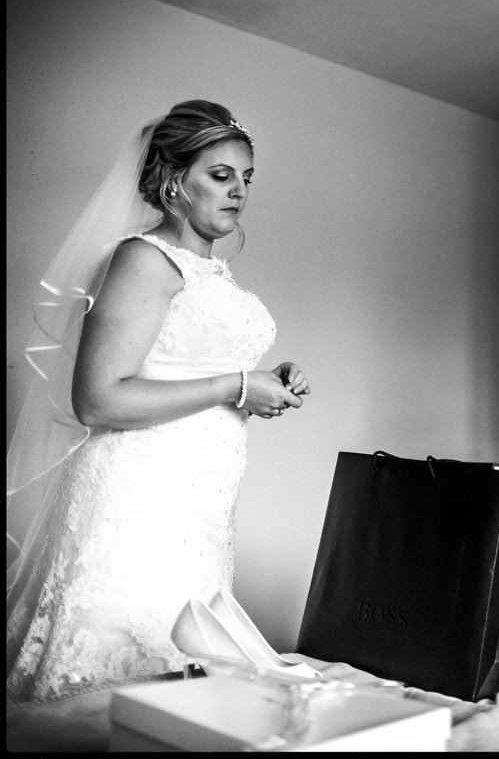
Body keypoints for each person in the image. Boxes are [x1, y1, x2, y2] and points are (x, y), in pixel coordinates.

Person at [5, 100, 310, 705]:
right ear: (173, 181)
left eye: (246, 178)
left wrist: (264, 380)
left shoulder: (210, 274)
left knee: (175, 678)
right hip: (138, 495)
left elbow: (185, 368)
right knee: (117, 673)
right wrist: (238, 386)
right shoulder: (144, 259)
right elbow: (97, 400)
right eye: (221, 176)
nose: (240, 192)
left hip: (200, 499)